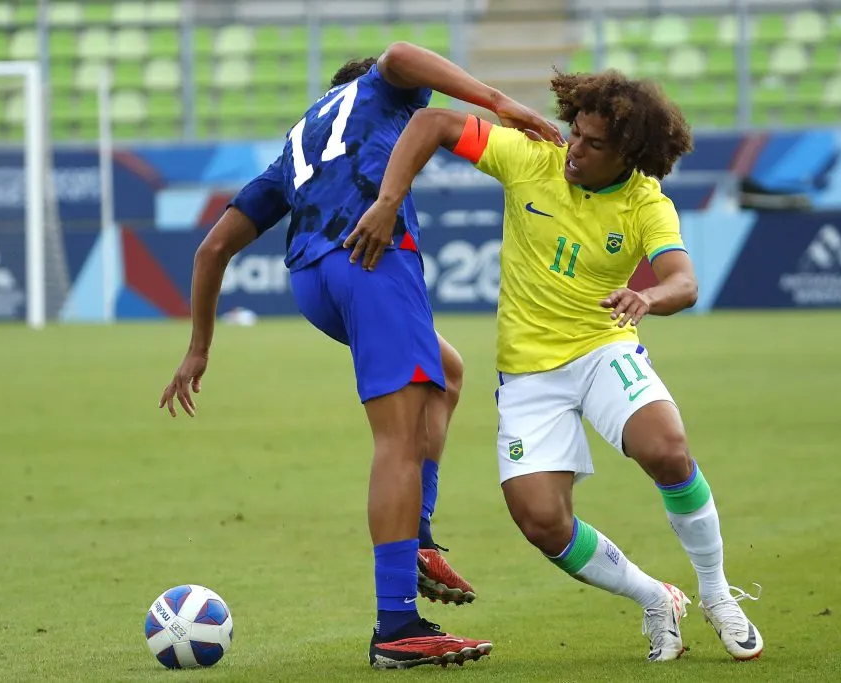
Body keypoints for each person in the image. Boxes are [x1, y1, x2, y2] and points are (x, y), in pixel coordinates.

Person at [158, 42, 563, 669]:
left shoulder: (298, 147)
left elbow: (211, 250)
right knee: (399, 441)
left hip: (313, 282)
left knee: (447, 373)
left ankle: (417, 538)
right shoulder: (380, 94)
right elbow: (401, 53)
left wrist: (198, 349)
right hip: (372, 257)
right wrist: (499, 102)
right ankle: (398, 627)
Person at [348, 69, 764, 663]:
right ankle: (655, 597)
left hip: (602, 349)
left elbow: (684, 281)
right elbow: (432, 122)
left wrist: (646, 297)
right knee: (542, 521)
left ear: (631, 156)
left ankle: (718, 594)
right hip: (528, 374)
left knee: (668, 449)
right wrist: (388, 202)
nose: (576, 151)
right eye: (577, 134)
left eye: (595, 145)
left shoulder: (645, 202)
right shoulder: (532, 158)